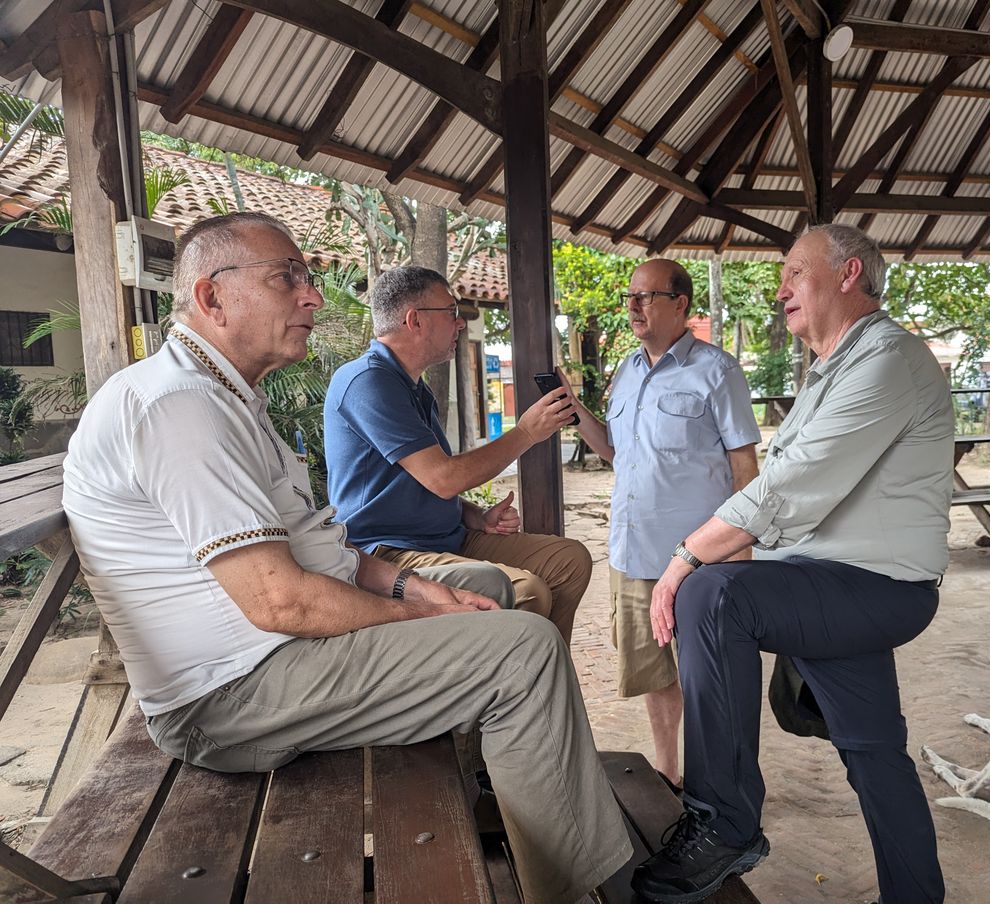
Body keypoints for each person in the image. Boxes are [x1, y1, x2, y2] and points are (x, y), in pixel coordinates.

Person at [61, 212, 632, 904]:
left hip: (267, 661)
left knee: (493, 601)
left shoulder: (224, 398)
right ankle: (586, 888)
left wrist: (417, 591)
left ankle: (523, 807)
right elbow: (281, 601)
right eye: (287, 279)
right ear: (211, 297)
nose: (313, 296)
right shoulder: (179, 407)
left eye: (307, 278)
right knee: (523, 650)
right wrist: (414, 617)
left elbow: (323, 549)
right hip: (229, 696)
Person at [631, 225, 952, 904]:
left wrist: (685, 557)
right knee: (873, 755)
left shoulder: (887, 361)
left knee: (711, 597)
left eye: (794, 274)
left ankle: (724, 823)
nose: (780, 291)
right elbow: (792, 503)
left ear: (847, 274)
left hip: (873, 588)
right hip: (834, 582)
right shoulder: (834, 368)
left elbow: (792, 483)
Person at [561, 258, 760, 791]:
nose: (633, 306)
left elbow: (745, 466)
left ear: (681, 305)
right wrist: (574, 406)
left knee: (707, 678)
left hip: (699, 560)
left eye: (647, 296)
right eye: (630, 296)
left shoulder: (718, 371)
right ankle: (670, 773)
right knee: (654, 674)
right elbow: (612, 451)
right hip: (631, 554)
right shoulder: (627, 370)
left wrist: (740, 556)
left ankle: (719, 782)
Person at [323, 266, 589, 645]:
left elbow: (420, 481)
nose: (460, 323)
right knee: (526, 591)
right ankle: (506, 690)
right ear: (414, 320)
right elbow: (443, 477)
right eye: (451, 312)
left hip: (445, 538)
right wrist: (528, 432)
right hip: (387, 551)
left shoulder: (413, 386)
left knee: (569, 560)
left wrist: (475, 515)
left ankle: (543, 675)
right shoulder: (367, 381)